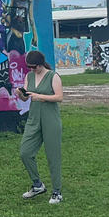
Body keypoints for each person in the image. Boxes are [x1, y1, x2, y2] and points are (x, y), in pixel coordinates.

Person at [15, 50, 64, 204]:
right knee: (25, 152)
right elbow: (27, 96)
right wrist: (20, 94)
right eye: (29, 67)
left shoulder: (53, 76)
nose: (32, 70)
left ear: (41, 64)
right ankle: (37, 185)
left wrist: (40, 97)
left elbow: (59, 97)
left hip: (50, 119)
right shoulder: (29, 76)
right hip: (34, 118)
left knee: (53, 156)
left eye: (34, 67)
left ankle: (57, 191)